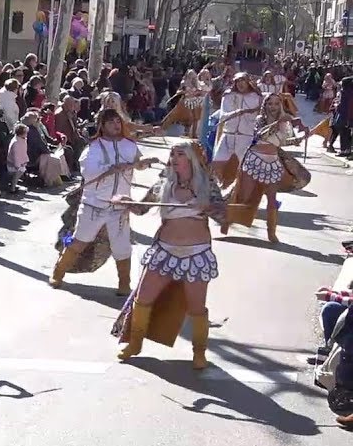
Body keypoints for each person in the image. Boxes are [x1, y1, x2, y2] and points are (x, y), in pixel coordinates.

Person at [113, 141, 224, 369]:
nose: (173, 158)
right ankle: (135, 344)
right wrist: (125, 202)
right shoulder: (163, 184)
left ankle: (199, 352)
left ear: (191, 159)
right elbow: (141, 208)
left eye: (179, 154)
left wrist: (211, 208)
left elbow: (225, 218)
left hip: (197, 253)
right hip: (164, 251)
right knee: (142, 299)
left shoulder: (208, 185)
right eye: (172, 154)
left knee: (196, 308)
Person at [50, 108, 153, 295]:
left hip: (120, 206)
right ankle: (58, 272)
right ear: (102, 126)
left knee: (122, 247)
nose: (116, 125)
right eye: (111, 122)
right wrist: (111, 168)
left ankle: (124, 284)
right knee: (80, 241)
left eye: (118, 121)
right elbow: (88, 172)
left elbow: (139, 162)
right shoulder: (93, 147)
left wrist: (144, 162)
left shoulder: (129, 145)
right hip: (93, 205)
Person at [221, 93, 306, 243]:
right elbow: (260, 135)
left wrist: (302, 137)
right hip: (254, 160)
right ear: (265, 106)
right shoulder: (260, 120)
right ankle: (227, 219)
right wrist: (277, 122)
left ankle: (271, 233)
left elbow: (282, 142)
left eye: (276, 104)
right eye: (270, 104)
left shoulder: (284, 123)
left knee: (272, 199)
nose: (273, 107)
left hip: (272, 163)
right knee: (245, 198)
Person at [213, 72, 264, 186]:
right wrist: (238, 112)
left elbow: (260, 117)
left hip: (246, 136)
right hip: (228, 134)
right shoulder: (228, 95)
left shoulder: (257, 98)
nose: (240, 84)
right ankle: (219, 186)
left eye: (243, 81)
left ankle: (243, 188)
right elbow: (223, 115)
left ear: (248, 82)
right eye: (238, 81)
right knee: (217, 161)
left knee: (247, 167)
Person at [7, 123, 30, 191]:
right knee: (17, 174)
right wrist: (17, 165)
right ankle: (12, 188)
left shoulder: (23, 140)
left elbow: (23, 151)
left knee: (20, 173)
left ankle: (14, 185)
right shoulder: (16, 142)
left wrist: (25, 159)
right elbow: (16, 155)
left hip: (21, 162)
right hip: (13, 163)